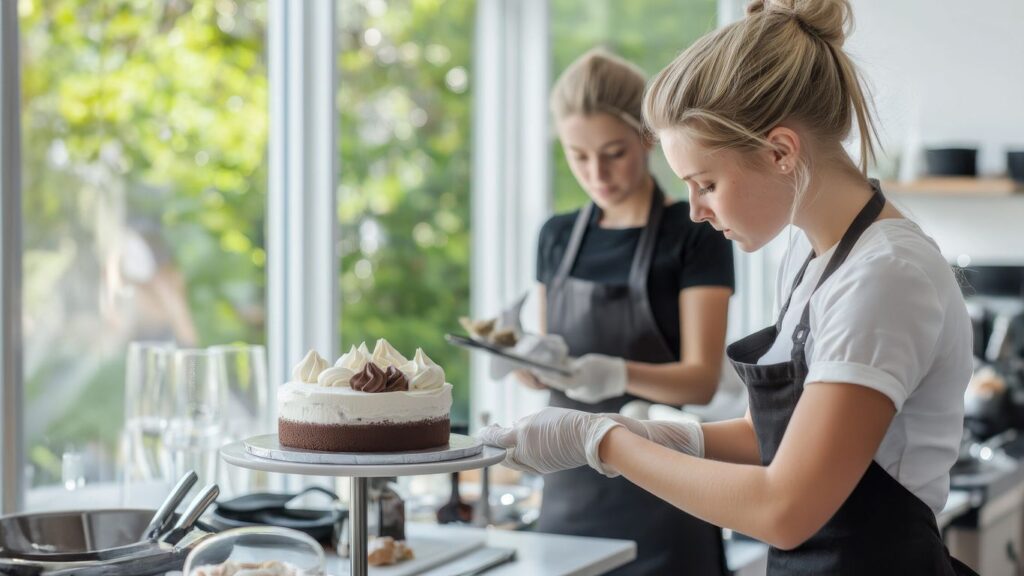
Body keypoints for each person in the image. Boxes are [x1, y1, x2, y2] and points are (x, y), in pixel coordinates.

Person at [481, 1, 979, 575]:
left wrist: (600, 440)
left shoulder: (886, 276)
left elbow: (786, 509)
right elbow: (759, 436)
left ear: (780, 151)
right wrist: (637, 429)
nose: (695, 210)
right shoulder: (811, 253)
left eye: (706, 183)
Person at [509, 48, 735, 575]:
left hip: (667, 494)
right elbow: (552, 369)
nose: (597, 173)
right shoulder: (556, 236)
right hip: (568, 492)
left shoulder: (694, 232)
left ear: (647, 138)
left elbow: (700, 382)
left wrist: (613, 372)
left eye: (613, 152)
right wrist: (521, 359)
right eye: (578, 156)